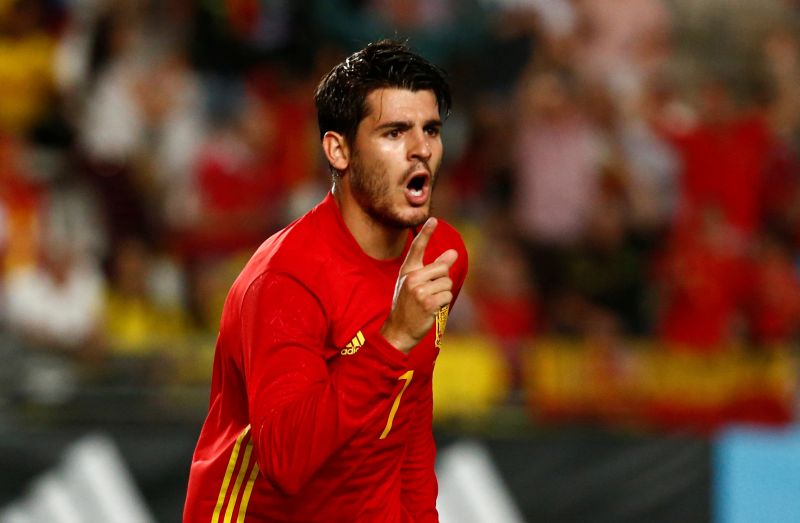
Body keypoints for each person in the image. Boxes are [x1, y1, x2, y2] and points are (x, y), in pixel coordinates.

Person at [183, 40, 469, 523]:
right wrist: (394, 338)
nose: (421, 149)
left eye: (431, 130)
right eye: (394, 132)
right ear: (338, 149)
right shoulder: (284, 280)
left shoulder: (441, 255)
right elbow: (286, 462)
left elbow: (409, 410)